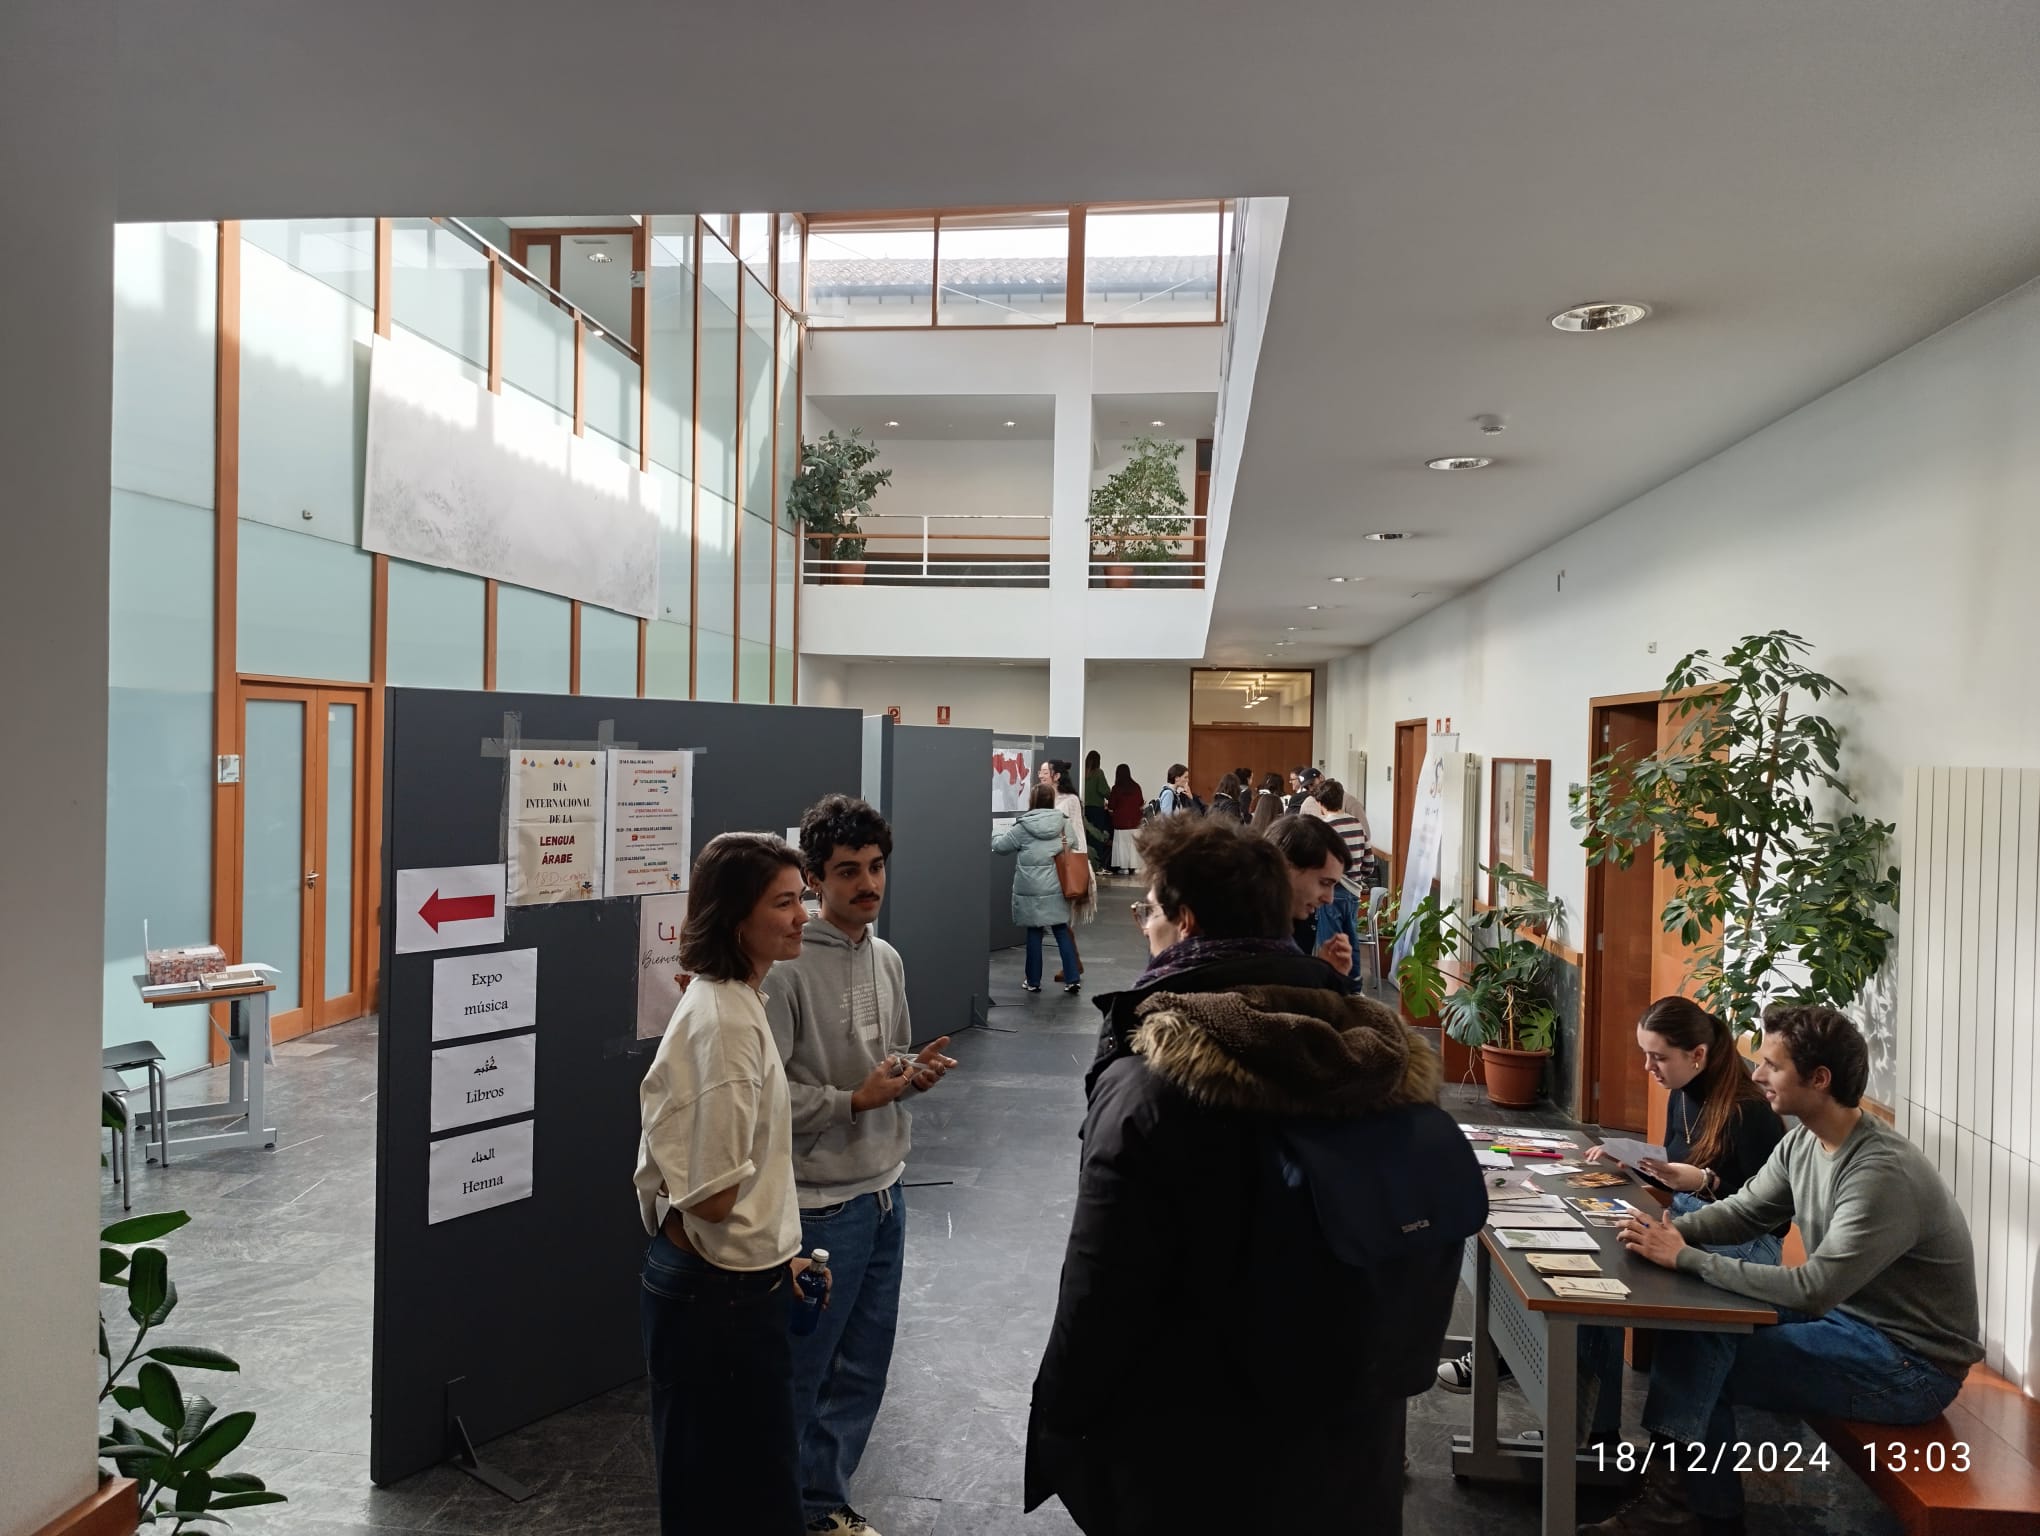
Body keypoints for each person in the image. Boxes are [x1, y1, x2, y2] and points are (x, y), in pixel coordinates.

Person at [1026, 813, 1477, 1532]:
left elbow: (1103, 1282)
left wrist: (1064, 1425)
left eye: (1149, 908)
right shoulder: (1371, 1056)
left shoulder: (1155, 1087)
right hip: (1349, 1443)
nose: (1144, 924)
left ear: (1186, 919)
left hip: (1194, 1451)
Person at [1590, 1005, 1983, 1536]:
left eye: (1772, 1066)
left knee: (1711, 1360)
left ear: (1818, 1079)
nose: (1755, 1074)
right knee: (1694, 1332)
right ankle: (1682, 1494)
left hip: (1908, 1364)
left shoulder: (1879, 1172)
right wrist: (1677, 1233)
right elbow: (1747, 1210)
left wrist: (1685, 1256)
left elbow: (1813, 1288)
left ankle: (1695, 1509)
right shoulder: (1803, 1141)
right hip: (1850, 1321)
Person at [1435, 997, 1787, 1445]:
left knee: (1619, 1281)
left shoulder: (1750, 1111)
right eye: (1645, 1054)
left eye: (1659, 1057)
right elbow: (1674, 1166)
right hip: (1683, 1219)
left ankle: (1652, 1454)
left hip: (1741, 1241)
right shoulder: (1684, 1090)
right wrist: (1637, 1163)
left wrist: (1699, 1182)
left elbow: (1767, 1214)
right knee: (1591, 1260)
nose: (1648, 1067)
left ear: (1697, 1055)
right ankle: (1589, 1428)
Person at [766, 796, 959, 1536]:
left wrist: (911, 1074)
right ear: (815, 879)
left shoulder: (887, 957)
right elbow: (765, 1097)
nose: (867, 884)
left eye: (875, 868)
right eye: (848, 872)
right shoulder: (783, 973)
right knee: (801, 1376)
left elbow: (893, 1055)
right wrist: (852, 1100)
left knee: (863, 1369)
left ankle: (821, 1506)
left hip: (886, 1193)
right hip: (818, 1206)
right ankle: (778, 1509)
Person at [634, 832, 819, 1534]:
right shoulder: (728, 1025)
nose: (803, 914)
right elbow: (713, 1194)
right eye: (784, 902)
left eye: (800, 897)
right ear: (736, 917)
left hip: (728, 1285)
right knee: (738, 1502)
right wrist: (764, 1259)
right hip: (719, 1297)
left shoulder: (734, 1002)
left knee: (732, 1490)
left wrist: (781, 1254)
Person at [992, 782, 1083, 995]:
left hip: (1030, 888)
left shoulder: (1023, 827)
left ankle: (1033, 981)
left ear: (1031, 801)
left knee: (1034, 932)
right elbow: (1074, 843)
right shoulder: (1062, 823)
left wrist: (995, 831)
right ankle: (1072, 979)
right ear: (1051, 800)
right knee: (1061, 930)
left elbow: (1000, 847)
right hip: (1057, 886)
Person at [1266, 812, 1361, 985]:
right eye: (1324, 883)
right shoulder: (1244, 941)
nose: (1329, 899)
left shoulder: (1298, 920)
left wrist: (1325, 972)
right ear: (1285, 868)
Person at [1045, 758, 1095, 980]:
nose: (1040, 774)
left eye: (1045, 771)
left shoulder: (1070, 800)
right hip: (1055, 861)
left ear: (1057, 776)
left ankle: (1072, 965)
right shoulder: (1051, 798)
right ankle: (1073, 963)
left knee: (1060, 918)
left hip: (1066, 862)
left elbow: (1071, 833)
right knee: (1059, 918)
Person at [1314, 779, 1371, 871]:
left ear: (1320, 803)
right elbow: (1368, 863)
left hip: (1331, 883)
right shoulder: (1356, 823)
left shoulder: (1321, 827)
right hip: (1355, 882)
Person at [1105, 764, 1145, 874]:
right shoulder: (1136, 787)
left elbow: (1111, 805)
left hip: (1120, 822)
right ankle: (1136, 867)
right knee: (1134, 845)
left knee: (1122, 845)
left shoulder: (1116, 788)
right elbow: (1141, 802)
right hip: (1135, 821)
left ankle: (1124, 868)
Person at [1081, 750, 1113, 873]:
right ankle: (1098, 865)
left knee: (1087, 835)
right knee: (1098, 837)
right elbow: (1104, 790)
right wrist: (1111, 797)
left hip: (1085, 808)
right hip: (1097, 809)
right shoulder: (1098, 773)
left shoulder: (1082, 773)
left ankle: (1088, 863)